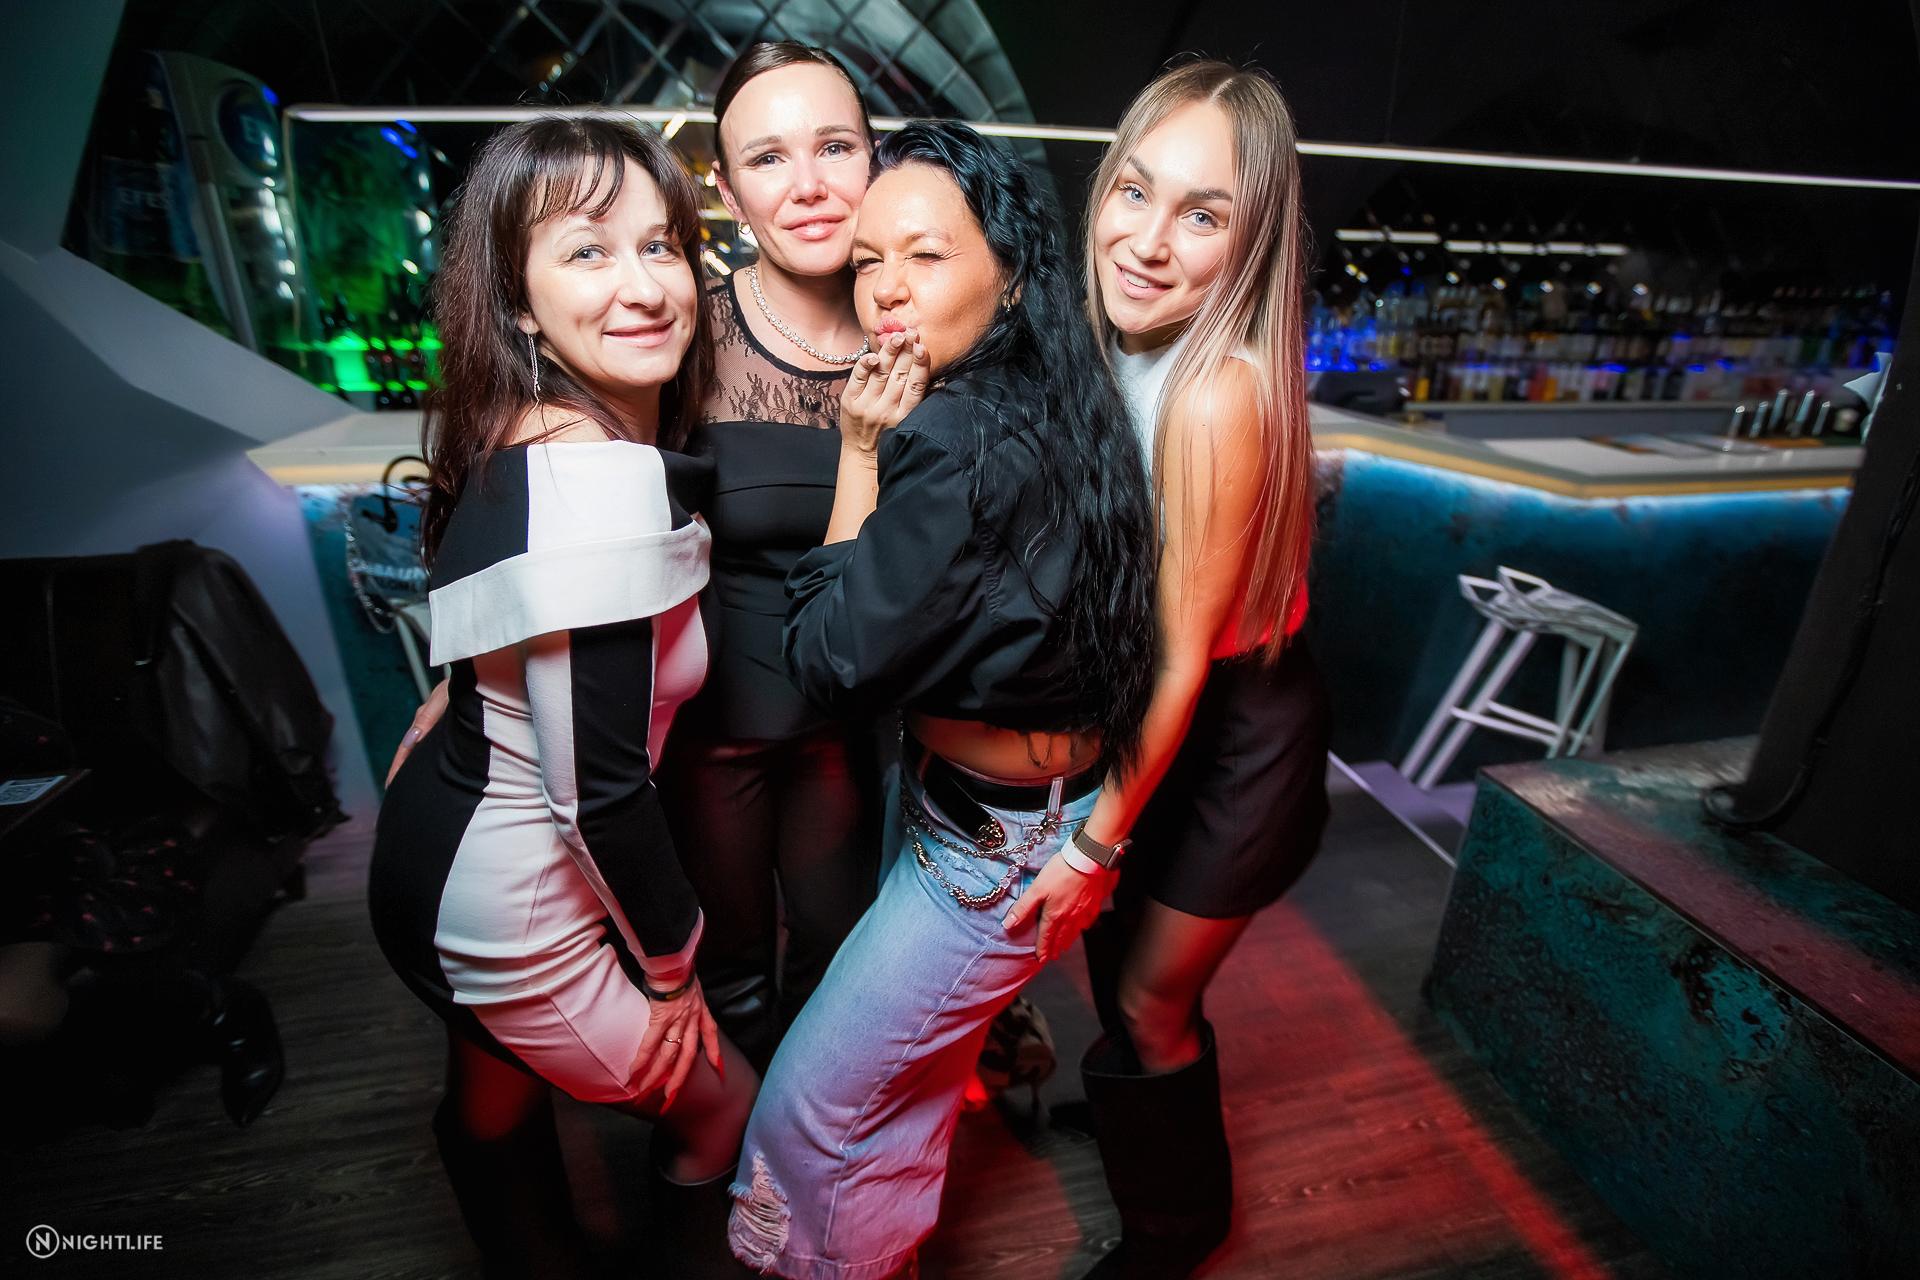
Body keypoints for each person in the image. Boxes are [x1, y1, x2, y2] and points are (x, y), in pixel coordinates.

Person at [725, 120, 1159, 1280]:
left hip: (988, 852)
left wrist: (861, 446)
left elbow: (827, 660)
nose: (886, 288)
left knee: (808, 1119)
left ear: (1008, 274)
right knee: (907, 1099)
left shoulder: (952, 438)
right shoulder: (1060, 390)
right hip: (999, 812)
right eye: (869, 260)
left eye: (925, 255)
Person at [366, 116, 757, 1278]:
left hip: (428, 845)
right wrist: (673, 968)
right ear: (522, 301)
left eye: (660, 244)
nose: (644, 285)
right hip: (511, 908)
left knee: (489, 1098)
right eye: (588, 250)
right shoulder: (595, 480)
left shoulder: (517, 426)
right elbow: (599, 790)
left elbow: (490, 619)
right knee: (723, 1107)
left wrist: (455, 697)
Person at [1064, 60, 1334, 1279]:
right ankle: (1141, 1102)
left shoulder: (1219, 391)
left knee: (1149, 999)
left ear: (1252, 239)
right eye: (1135, 190)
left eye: (1203, 214)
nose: (1149, 241)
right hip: (1152, 712)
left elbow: (1181, 656)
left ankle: (1178, 1231)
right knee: (1118, 976)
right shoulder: (1109, 342)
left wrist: (1090, 842)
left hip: (1231, 735)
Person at [659, 42, 883, 1070]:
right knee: (732, 978)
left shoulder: (926, 325)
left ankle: (817, 1149)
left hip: (858, 730)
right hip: (717, 738)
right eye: (768, 158)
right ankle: (746, 1158)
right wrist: (468, 675)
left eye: (835, 147)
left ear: (875, 158)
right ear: (726, 187)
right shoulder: (679, 341)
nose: (808, 186)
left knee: (846, 970)